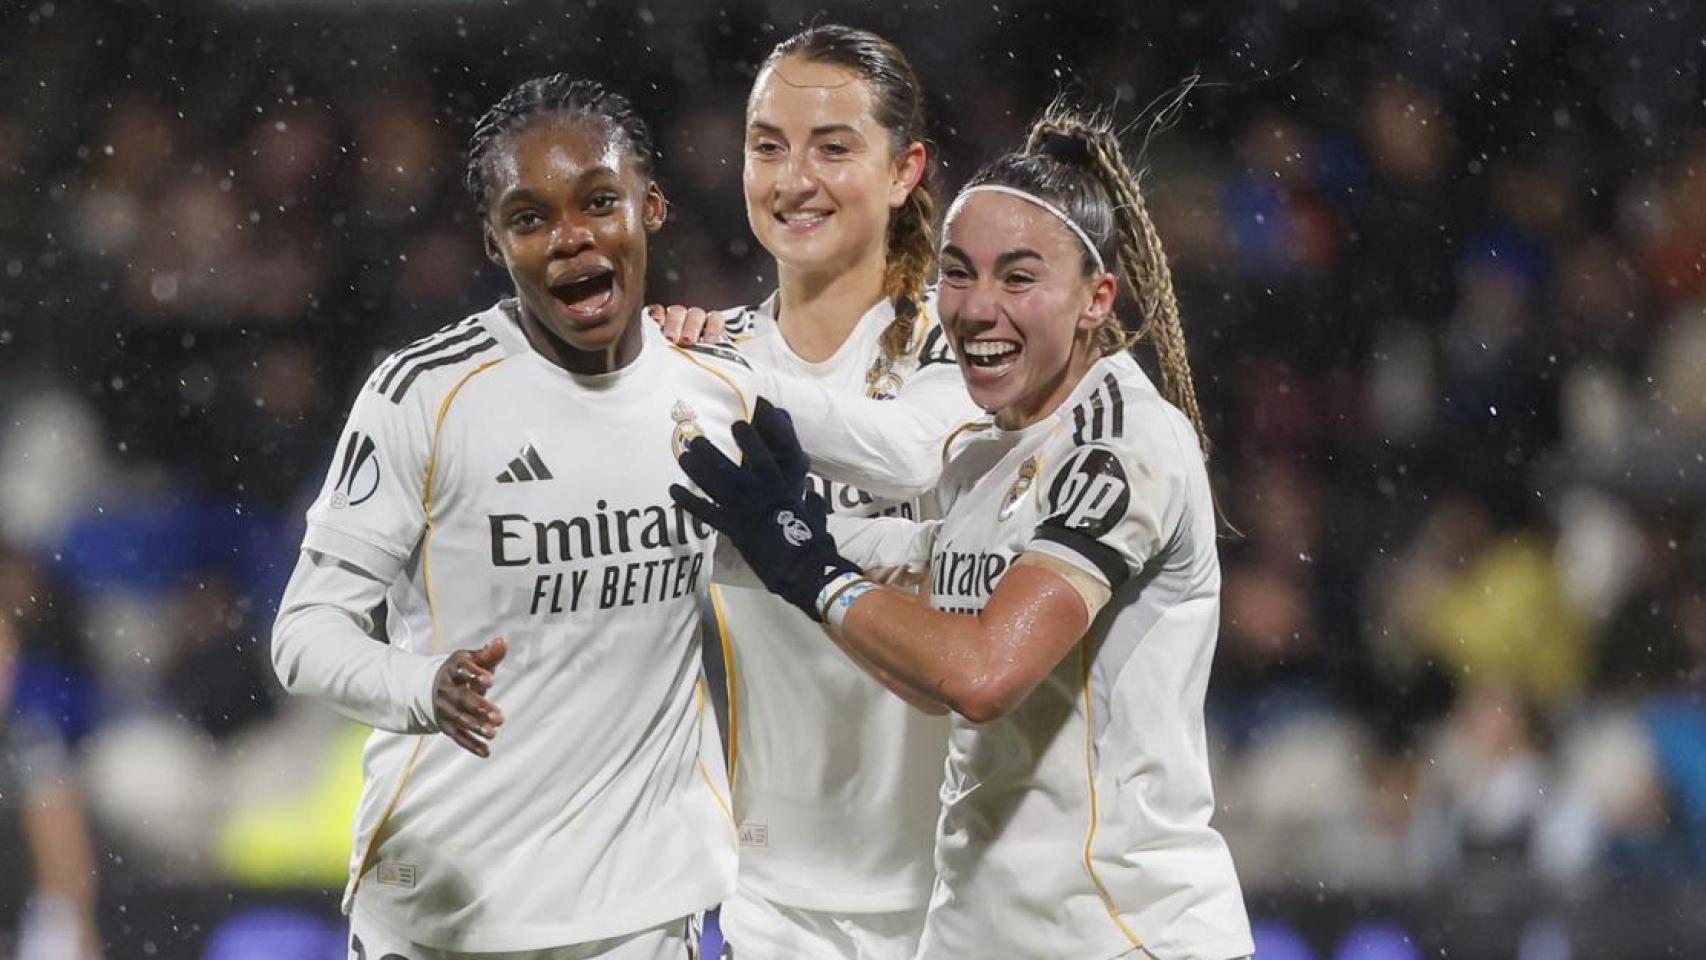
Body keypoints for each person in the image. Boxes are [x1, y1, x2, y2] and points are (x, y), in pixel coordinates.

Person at [673, 104, 1255, 960]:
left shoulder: (1122, 440)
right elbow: (929, 666)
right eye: (957, 273)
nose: (978, 308)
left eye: (1019, 278)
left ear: (1098, 299)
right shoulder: (983, 452)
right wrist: (769, 539)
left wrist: (811, 566)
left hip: (1124, 936)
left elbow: (983, 673)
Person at [270, 75, 746, 959]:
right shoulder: (423, 394)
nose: (570, 239)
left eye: (600, 203)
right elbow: (303, 634)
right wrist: (422, 687)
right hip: (447, 907)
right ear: (495, 243)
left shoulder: (719, 389)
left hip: (642, 910)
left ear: (654, 206)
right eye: (529, 219)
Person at [656, 25, 978, 960]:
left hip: (957, 894)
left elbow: (912, 461)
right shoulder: (705, 365)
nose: (795, 178)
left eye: (834, 148)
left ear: (904, 169)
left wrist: (713, 381)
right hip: (774, 898)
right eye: (768, 147)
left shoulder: (967, 352)